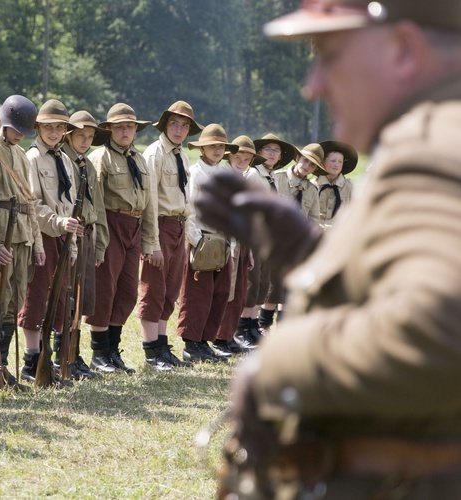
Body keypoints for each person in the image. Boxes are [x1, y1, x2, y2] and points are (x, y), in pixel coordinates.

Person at [195, 1, 461, 497]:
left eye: (330, 55)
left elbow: (442, 332)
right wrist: (309, 253)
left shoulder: (434, 145)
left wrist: (274, 363)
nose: (313, 85)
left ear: (404, 49)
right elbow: (405, 283)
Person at [85, 103, 157, 375]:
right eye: (119, 127)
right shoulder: (101, 158)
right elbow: (97, 204)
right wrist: (101, 240)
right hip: (111, 223)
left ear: (136, 130)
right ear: (110, 130)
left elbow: (149, 203)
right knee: (105, 289)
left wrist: (150, 241)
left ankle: (113, 350)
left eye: (130, 126)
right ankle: (99, 353)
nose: (125, 131)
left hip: (135, 225)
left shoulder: (139, 159)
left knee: (127, 292)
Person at [0, 95, 44, 390]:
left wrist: (37, 243)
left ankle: (1, 366)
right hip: (0, 235)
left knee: (13, 302)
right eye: (17, 130)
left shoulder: (19, 154)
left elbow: (30, 202)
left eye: (23, 132)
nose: (19, 136)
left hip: (21, 237)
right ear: (4, 124)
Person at [18, 99, 79, 384]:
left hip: (64, 237)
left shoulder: (65, 160)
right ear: (38, 128)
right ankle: (31, 363)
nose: (53, 132)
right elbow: (32, 203)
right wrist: (57, 223)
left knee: (59, 297)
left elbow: (70, 204)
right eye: (47, 127)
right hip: (42, 234)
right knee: (37, 296)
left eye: (59, 127)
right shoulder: (32, 158)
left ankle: (48, 361)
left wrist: (72, 240)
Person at [138, 101, 202, 371]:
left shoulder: (182, 155)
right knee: (153, 288)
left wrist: (187, 233)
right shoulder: (155, 154)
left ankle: (162, 345)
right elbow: (149, 201)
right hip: (160, 225)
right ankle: (151, 351)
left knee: (170, 289)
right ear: (164, 125)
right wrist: (151, 242)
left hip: (178, 226)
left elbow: (185, 198)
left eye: (185, 125)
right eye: (174, 124)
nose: (179, 130)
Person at [175, 124, 238, 364]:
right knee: (197, 293)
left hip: (223, 238)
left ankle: (205, 341)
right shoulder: (195, 173)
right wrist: (196, 240)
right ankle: (191, 343)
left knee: (219, 292)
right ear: (202, 148)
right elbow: (190, 208)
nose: (217, 150)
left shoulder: (226, 174)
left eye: (221, 146)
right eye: (212, 146)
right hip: (202, 236)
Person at [61, 110, 110, 380]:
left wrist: (100, 244)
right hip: (69, 233)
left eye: (90, 137)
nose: (86, 141)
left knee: (82, 298)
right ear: (69, 135)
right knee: (66, 298)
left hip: (88, 234)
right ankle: (62, 355)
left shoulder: (87, 164)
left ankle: (74, 354)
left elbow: (98, 207)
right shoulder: (63, 160)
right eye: (81, 135)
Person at [212, 135, 264, 355]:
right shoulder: (221, 177)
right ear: (229, 156)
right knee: (225, 290)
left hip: (242, 242)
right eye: (238, 157)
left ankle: (229, 335)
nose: (241, 162)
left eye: (246, 159)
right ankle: (219, 337)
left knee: (239, 290)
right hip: (224, 242)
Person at [241, 133, 296, 340]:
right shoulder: (254, 174)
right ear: (259, 153)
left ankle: (252, 324)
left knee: (262, 283)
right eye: (268, 149)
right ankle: (243, 326)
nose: (272, 154)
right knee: (251, 282)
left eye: (276, 150)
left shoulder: (272, 177)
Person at [273, 143, 323, 225]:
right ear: (297, 158)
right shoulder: (277, 178)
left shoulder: (312, 190)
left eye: (312, 164)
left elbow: (314, 220)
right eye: (305, 160)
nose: (307, 166)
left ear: (315, 169)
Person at [313, 140, 358, 228]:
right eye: (333, 161)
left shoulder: (350, 187)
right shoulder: (313, 185)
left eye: (340, 162)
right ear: (323, 162)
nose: (336, 165)